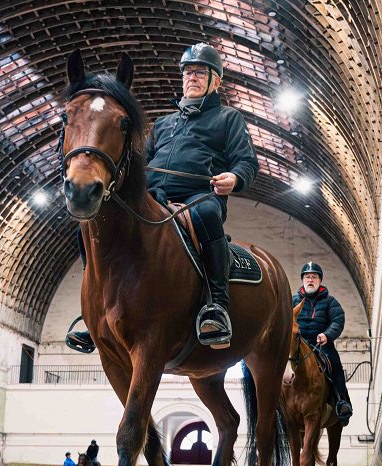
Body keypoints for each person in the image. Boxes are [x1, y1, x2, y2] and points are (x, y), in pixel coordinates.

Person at [66, 42, 259, 352]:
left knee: (208, 216)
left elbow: (247, 163)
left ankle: (216, 305)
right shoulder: (165, 124)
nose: (192, 77)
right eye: (187, 72)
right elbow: (141, 163)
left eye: (200, 72)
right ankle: (97, 308)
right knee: (91, 224)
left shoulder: (228, 119)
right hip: (155, 195)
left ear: (216, 81)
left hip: (198, 197)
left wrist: (234, 178)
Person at [293, 262, 352, 424]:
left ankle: (342, 402)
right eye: (307, 277)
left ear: (319, 280)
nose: (310, 280)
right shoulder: (292, 301)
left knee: (335, 365)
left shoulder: (330, 301)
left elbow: (338, 321)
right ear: (303, 280)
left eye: (314, 277)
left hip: (321, 344)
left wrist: (327, 335)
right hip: (297, 344)